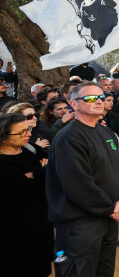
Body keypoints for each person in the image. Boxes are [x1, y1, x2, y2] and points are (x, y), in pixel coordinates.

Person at [46, 82, 119, 277]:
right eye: (91, 98)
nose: (99, 101)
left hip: (108, 218)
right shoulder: (68, 138)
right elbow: (78, 185)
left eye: (101, 97)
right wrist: (112, 207)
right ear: (74, 104)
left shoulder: (105, 131)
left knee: (104, 269)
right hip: (80, 224)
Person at [0, 113, 53, 277]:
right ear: (3, 137)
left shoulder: (28, 150)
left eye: (28, 129)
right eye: (21, 132)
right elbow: (26, 187)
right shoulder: (3, 164)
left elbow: (50, 165)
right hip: (14, 232)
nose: (29, 134)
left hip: (41, 224)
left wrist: (36, 173)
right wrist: (42, 171)